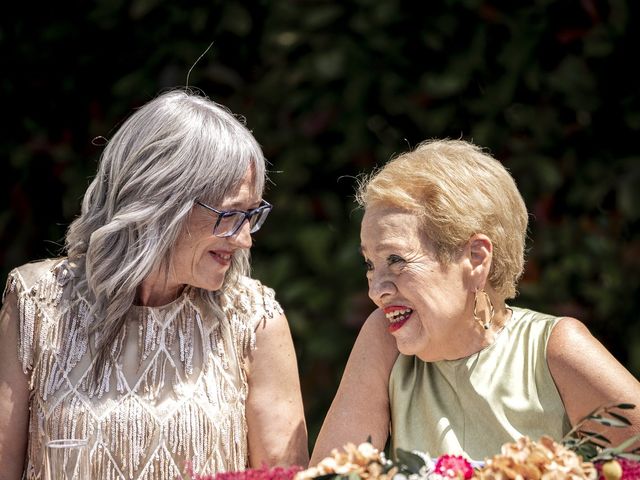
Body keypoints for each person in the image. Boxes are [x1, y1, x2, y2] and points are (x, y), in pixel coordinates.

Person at [0, 89, 308, 479]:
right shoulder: (37, 302)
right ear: (162, 203)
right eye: (229, 214)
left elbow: (285, 475)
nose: (245, 237)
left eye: (251, 214)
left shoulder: (254, 319)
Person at [311, 139, 640, 463]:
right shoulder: (383, 340)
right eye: (370, 264)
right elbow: (331, 475)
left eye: (396, 259)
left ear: (476, 259)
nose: (375, 290)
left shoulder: (555, 349)